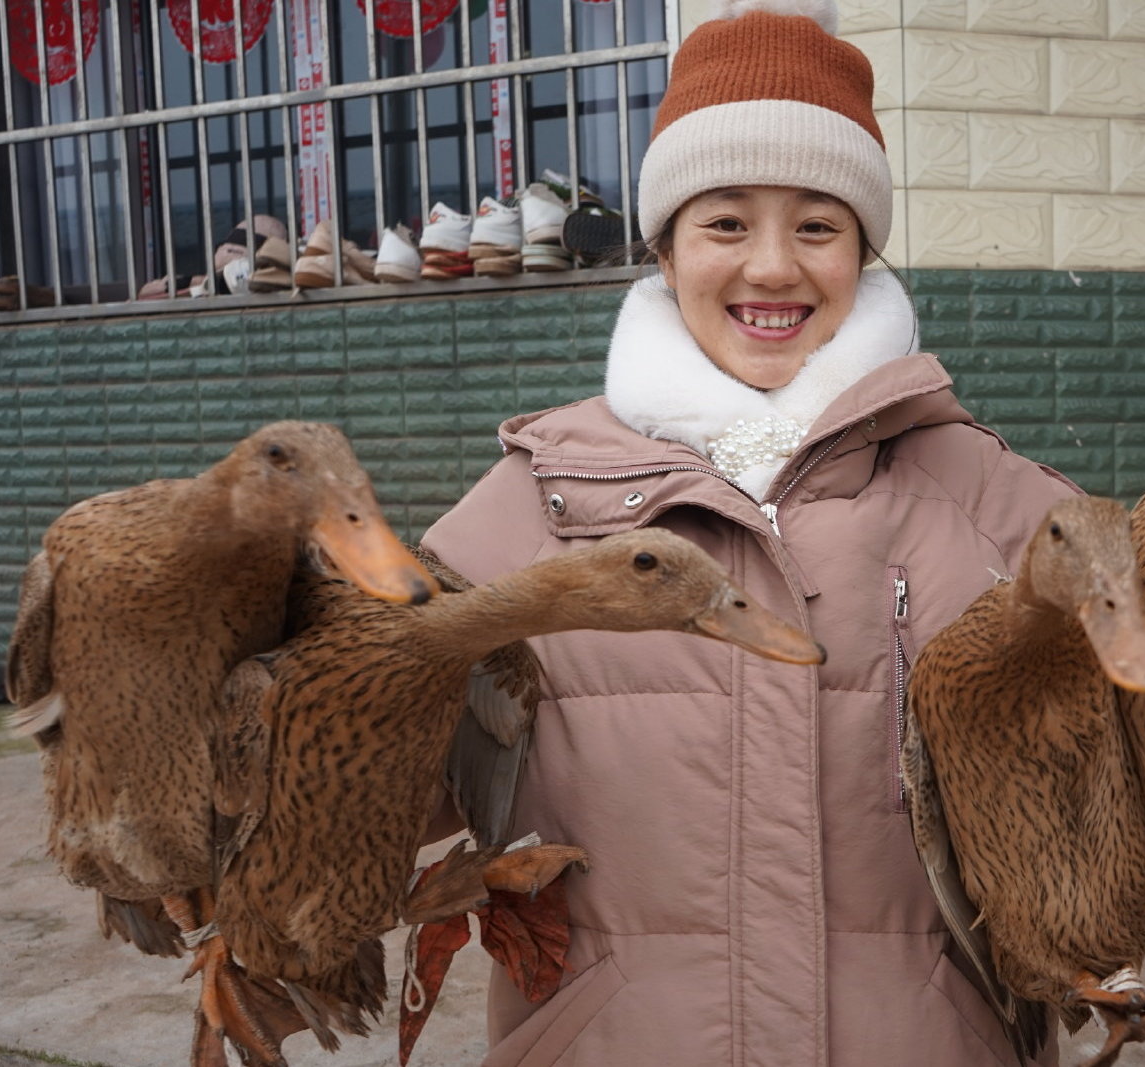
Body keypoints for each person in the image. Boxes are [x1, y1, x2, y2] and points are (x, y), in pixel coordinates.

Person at [422, 1, 1077, 1063]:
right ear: (666, 249)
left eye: (817, 225)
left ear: (862, 251)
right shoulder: (518, 513)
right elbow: (386, 799)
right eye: (725, 222)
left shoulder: (997, 505)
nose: (772, 268)